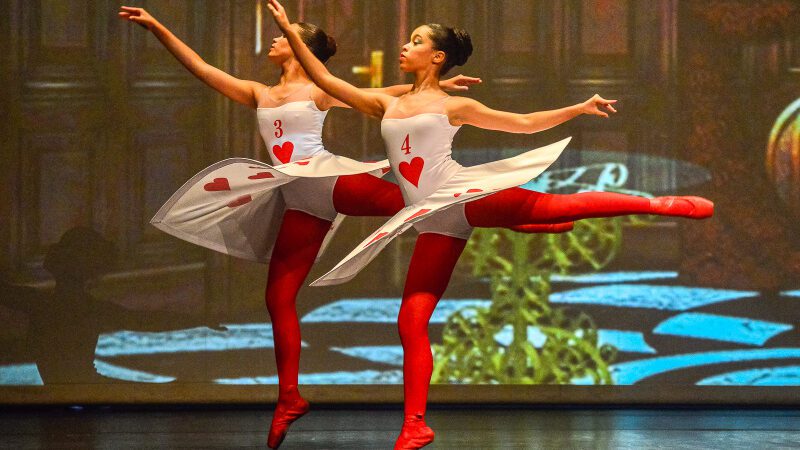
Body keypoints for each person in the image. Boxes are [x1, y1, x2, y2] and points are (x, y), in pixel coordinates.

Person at [119, 6, 574, 449]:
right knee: (277, 297)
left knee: (428, 203)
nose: (275, 40)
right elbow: (201, 68)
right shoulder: (258, 92)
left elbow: (372, 93)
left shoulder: (317, 91)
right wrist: (157, 27)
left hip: (328, 180)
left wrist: (434, 89)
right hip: (298, 198)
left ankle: (517, 217)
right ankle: (289, 398)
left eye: (284, 36)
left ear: (299, 47)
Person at [266, 1, 714, 448]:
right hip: (431, 220)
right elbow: (326, 80)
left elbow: (523, 124)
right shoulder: (386, 102)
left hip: (461, 196)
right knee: (410, 321)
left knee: (562, 206)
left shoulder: (454, 105)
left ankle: (658, 204)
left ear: (437, 57)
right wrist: (290, 31)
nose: (405, 45)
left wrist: (577, 108)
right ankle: (415, 424)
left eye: (416, 41)